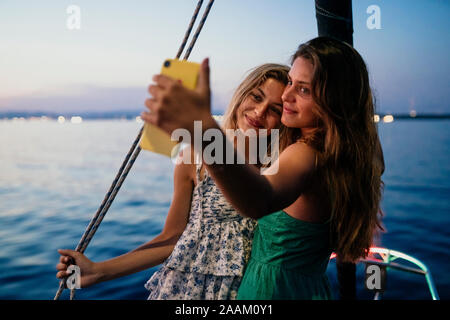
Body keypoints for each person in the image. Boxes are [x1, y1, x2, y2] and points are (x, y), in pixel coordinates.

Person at [142, 36, 385, 299]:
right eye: (290, 82)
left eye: (304, 90)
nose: (287, 95)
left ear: (335, 100)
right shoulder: (352, 155)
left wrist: (204, 132)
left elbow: (259, 200)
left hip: (271, 291)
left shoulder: (306, 155)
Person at [56, 63, 290, 299]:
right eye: (256, 97)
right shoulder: (194, 157)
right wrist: (97, 271)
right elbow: (172, 237)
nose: (260, 112)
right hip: (189, 287)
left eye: (275, 109)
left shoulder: (280, 168)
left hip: (252, 290)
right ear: (242, 95)